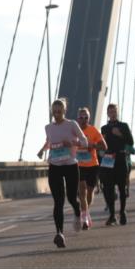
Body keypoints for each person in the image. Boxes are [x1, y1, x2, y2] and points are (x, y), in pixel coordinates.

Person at [37, 98, 88, 247]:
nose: (57, 114)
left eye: (59, 111)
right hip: (55, 165)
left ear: (64, 111)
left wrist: (73, 143)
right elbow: (50, 141)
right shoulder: (48, 127)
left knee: (72, 197)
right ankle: (59, 233)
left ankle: (78, 212)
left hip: (71, 165)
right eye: (54, 111)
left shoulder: (72, 124)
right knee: (58, 201)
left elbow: (84, 141)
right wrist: (42, 150)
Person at [99, 104, 134, 226]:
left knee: (122, 187)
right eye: (110, 112)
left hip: (120, 157)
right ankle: (112, 215)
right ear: (108, 114)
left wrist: (120, 134)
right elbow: (102, 144)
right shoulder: (104, 128)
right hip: (108, 159)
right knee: (108, 188)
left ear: (117, 113)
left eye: (114, 111)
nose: (112, 113)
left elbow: (131, 141)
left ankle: (122, 212)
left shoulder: (123, 126)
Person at [75, 106, 106, 230]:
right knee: (82, 191)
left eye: (86, 117)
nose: (83, 120)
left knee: (89, 192)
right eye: (81, 117)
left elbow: (104, 146)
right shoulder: (73, 130)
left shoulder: (93, 130)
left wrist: (93, 145)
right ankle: (85, 218)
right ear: (77, 118)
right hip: (78, 165)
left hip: (92, 165)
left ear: (89, 118)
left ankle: (86, 211)